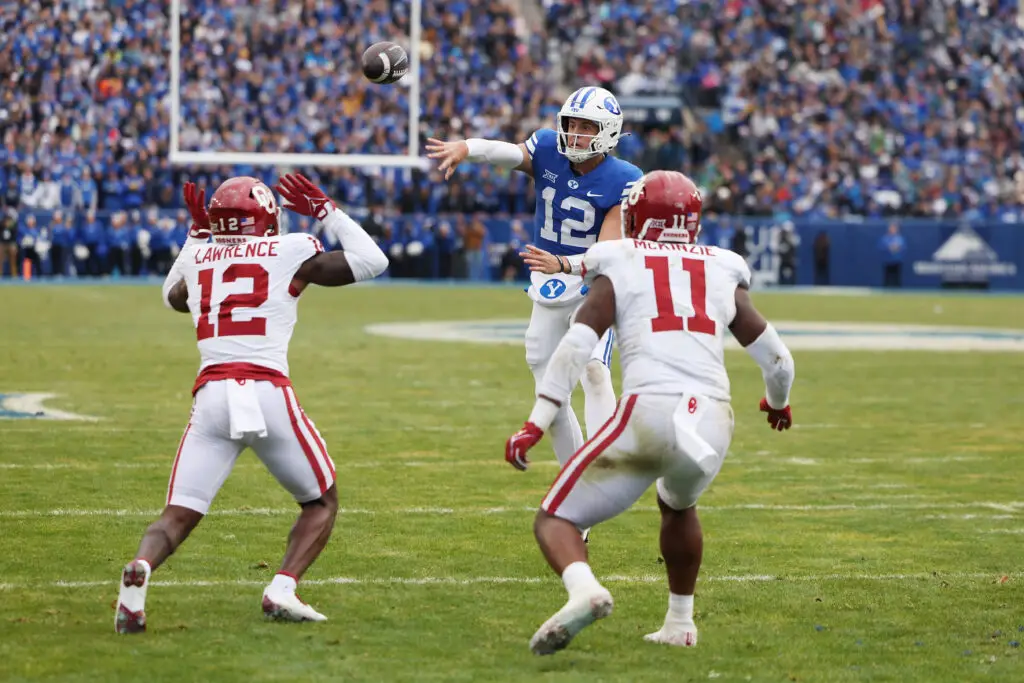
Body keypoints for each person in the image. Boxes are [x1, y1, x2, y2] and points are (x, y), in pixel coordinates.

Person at [503, 170, 795, 655]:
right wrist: (777, 404)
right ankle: (681, 623)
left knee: (555, 519)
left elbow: (577, 346)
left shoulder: (620, 256)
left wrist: (538, 420)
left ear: (637, 216)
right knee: (678, 503)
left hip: (649, 410)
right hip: (712, 420)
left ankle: (585, 591)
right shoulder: (723, 266)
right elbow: (779, 361)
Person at [114, 174, 388, 634]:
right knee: (321, 501)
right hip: (266, 391)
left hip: (211, 397)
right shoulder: (291, 248)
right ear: (265, 216)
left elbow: (171, 297)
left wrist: (195, 235)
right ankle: (282, 587)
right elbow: (373, 261)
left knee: (177, 514)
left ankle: (140, 572)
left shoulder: (199, 257)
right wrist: (328, 212)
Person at [427, 86, 643, 476]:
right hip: (548, 282)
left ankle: (607, 462)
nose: (575, 134)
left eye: (586, 127)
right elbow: (510, 153)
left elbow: (608, 250)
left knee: (594, 369)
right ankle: (576, 480)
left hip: (595, 284)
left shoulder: (625, 178)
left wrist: (563, 262)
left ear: (608, 132)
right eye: (571, 124)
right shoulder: (546, 148)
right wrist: (467, 147)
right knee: (549, 388)